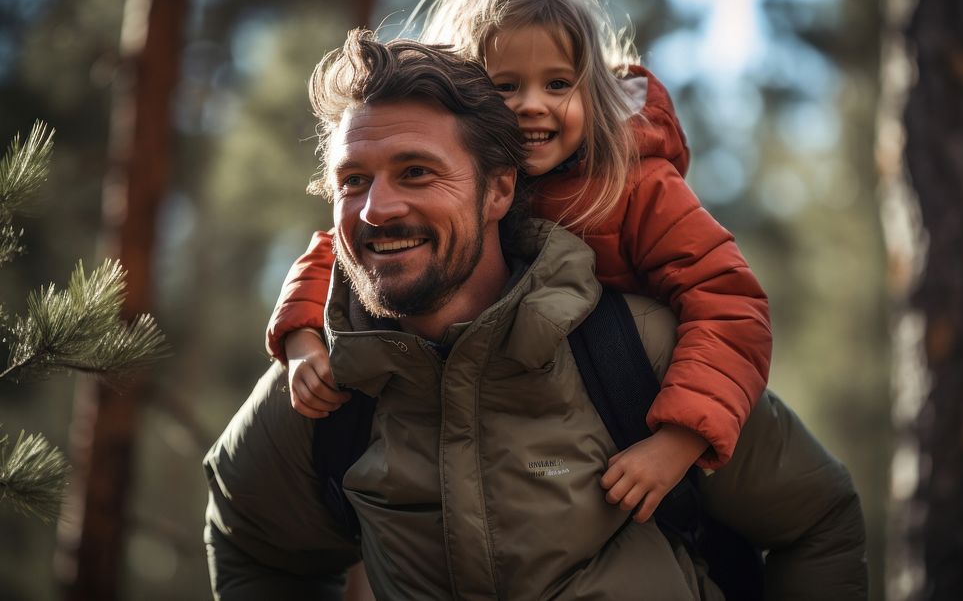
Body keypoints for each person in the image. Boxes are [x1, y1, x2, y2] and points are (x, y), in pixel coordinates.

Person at [204, 29, 867, 600]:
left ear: (498, 190)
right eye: (354, 180)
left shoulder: (640, 353)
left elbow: (816, 518)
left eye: (415, 172)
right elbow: (251, 540)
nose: (377, 208)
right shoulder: (322, 385)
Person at [267, 0, 770, 523]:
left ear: (595, 91)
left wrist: (677, 441)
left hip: (626, 401)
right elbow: (344, 249)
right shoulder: (450, 185)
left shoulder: (637, 185)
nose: (533, 105)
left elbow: (730, 303)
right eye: (506, 86)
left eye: (558, 85)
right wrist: (302, 341)